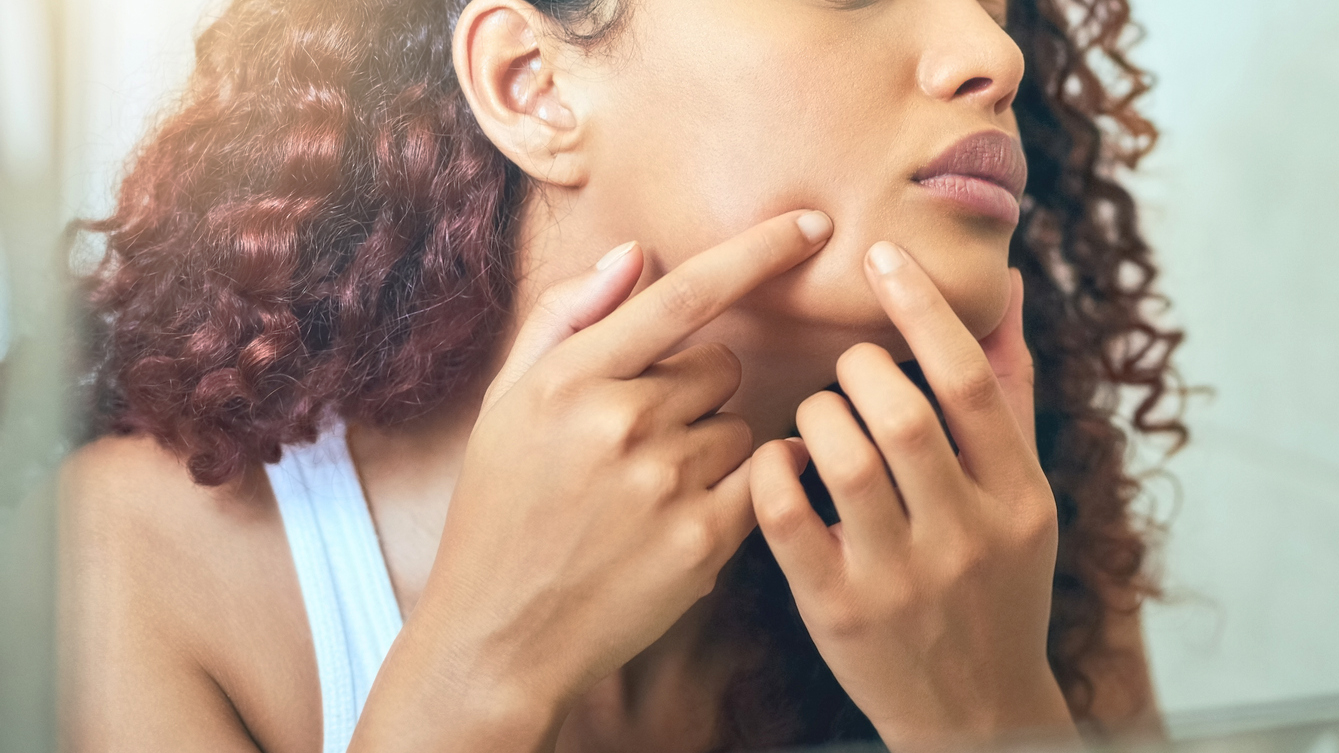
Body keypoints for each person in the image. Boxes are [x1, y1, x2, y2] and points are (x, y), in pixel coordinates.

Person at [58, 0, 1186, 750]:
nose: (992, 51)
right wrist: (482, 673)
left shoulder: (999, 539)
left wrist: (993, 719)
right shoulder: (131, 559)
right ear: (531, 85)